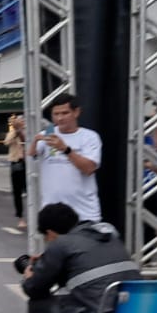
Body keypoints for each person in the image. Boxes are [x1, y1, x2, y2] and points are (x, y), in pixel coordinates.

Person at [27, 94, 102, 222]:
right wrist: (34, 141)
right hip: (52, 211)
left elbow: (89, 168)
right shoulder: (48, 134)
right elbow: (30, 157)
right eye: (55, 114)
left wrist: (65, 149)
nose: (60, 118)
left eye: (65, 113)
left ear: (76, 112)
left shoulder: (89, 137)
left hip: (84, 213)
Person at [0, 114, 28, 228]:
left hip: (29, 164)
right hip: (17, 163)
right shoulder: (12, 133)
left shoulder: (28, 131)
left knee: (33, 191)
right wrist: (16, 131)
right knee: (17, 192)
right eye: (19, 121)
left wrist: (22, 131)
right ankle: (20, 217)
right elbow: (6, 142)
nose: (21, 123)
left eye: (22, 121)